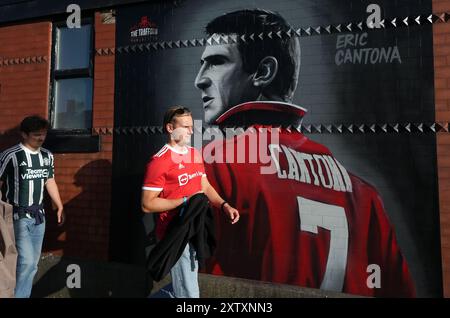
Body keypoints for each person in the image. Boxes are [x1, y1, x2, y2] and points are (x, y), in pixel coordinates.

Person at [194, 9, 415, 297]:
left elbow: (189, 286)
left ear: (263, 72)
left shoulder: (215, 166)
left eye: (216, 62)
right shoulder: (365, 195)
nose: (200, 79)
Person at [141, 106, 239, 298]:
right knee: (189, 294)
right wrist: (184, 201)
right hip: (176, 233)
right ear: (170, 128)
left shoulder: (194, 153)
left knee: (184, 288)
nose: (191, 131)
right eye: (185, 127)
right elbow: (147, 204)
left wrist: (224, 205)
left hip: (197, 228)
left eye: (191, 126)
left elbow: (205, 186)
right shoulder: (159, 162)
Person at [0, 115, 64, 298]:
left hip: (39, 217)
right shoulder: (10, 155)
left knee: (33, 263)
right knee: (26, 261)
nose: (41, 138)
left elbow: (49, 180)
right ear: (24, 134)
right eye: (36, 135)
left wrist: (59, 205)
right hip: (16, 217)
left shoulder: (47, 156)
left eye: (43, 134)